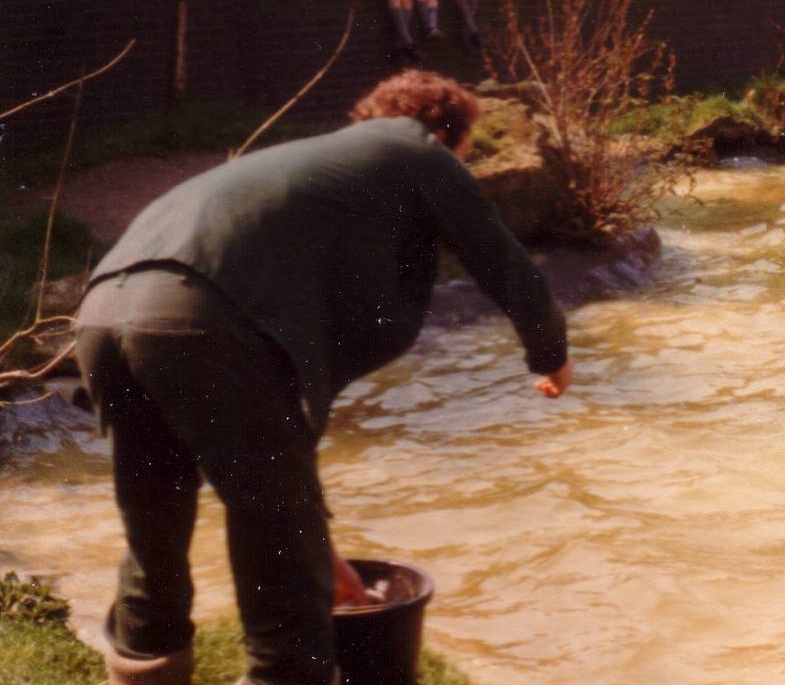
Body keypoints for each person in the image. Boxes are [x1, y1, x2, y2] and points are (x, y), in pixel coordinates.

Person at [77, 70, 571, 685]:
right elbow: (503, 260)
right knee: (269, 528)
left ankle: (143, 668)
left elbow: (284, 416)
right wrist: (550, 353)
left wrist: (321, 539)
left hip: (104, 312)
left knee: (154, 515)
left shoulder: (313, 179)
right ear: (450, 133)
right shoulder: (418, 149)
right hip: (205, 316)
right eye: (466, 147)